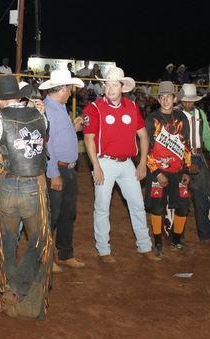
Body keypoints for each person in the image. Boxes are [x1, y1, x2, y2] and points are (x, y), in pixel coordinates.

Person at [0, 76, 52, 320]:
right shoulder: (40, 115)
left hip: (8, 186)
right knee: (40, 242)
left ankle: (7, 288)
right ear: (19, 96)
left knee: (5, 242)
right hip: (34, 187)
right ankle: (21, 289)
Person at [83, 67, 156, 263]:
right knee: (102, 207)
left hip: (127, 164)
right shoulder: (94, 107)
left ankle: (144, 245)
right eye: (107, 84)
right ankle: (104, 249)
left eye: (115, 84)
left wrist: (142, 164)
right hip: (105, 162)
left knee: (137, 205)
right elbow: (89, 139)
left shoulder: (132, 107)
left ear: (122, 87)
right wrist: (96, 166)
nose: (110, 88)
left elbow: (143, 136)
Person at [38, 70, 86, 270]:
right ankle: (46, 257)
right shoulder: (48, 110)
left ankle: (65, 253)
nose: (71, 92)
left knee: (67, 213)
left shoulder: (58, 107)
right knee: (53, 214)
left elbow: (55, 137)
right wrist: (54, 172)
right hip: (58, 169)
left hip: (67, 169)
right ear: (63, 88)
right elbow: (47, 144)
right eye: (70, 88)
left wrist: (72, 130)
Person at [145, 81, 193, 256]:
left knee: (183, 206)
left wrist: (187, 170)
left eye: (169, 97)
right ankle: (157, 241)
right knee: (157, 207)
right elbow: (146, 149)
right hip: (157, 171)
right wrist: (156, 173)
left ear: (174, 99)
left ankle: (177, 238)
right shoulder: (152, 119)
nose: (165, 100)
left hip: (178, 171)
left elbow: (186, 145)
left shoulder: (181, 118)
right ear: (159, 99)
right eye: (162, 97)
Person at [176, 83, 210, 243]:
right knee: (180, 198)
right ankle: (177, 235)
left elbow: (206, 134)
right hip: (180, 159)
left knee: (202, 197)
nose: (188, 104)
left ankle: (205, 234)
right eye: (185, 101)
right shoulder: (175, 114)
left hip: (198, 157)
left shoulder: (200, 113)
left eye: (190, 101)